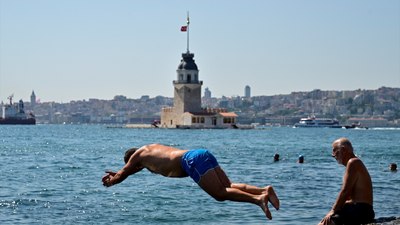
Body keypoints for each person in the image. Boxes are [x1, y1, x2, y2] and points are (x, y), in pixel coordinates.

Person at [102, 144, 280, 220]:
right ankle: (264, 190)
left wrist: (112, 181)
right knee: (228, 186)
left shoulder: (137, 157)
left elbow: (125, 172)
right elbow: (129, 171)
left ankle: (258, 200)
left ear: (132, 160)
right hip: (200, 153)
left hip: (190, 161)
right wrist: (121, 173)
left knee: (219, 194)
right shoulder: (149, 151)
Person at [318, 138, 374, 225]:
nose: (333, 155)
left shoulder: (353, 162)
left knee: (325, 223)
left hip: (359, 210)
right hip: (361, 210)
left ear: (343, 150)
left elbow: (345, 191)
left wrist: (333, 210)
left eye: (334, 151)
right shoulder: (353, 163)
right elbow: (349, 195)